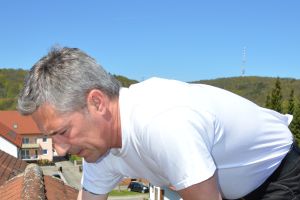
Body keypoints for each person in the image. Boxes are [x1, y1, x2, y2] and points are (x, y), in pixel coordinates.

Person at [18, 47, 300, 200]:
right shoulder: (98, 150)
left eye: (63, 132)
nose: (61, 149)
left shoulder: (162, 123)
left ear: (97, 103)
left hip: (279, 177)